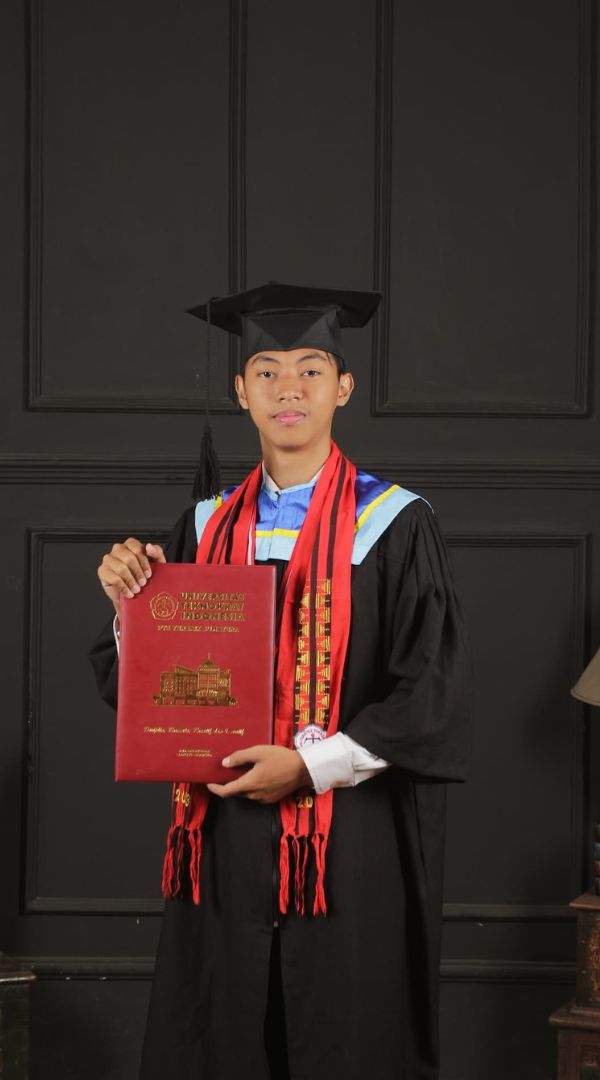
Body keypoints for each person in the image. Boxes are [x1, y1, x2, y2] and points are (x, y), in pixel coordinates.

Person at [89, 281, 473, 1080]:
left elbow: (429, 693)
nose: (288, 388)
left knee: (345, 1036)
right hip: (223, 839)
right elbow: (142, 689)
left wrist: (307, 765)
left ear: (344, 387)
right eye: (266, 371)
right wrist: (132, 607)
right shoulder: (203, 527)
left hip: (351, 843)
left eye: (310, 370)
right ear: (241, 392)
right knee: (223, 1035)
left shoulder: (396, 523)